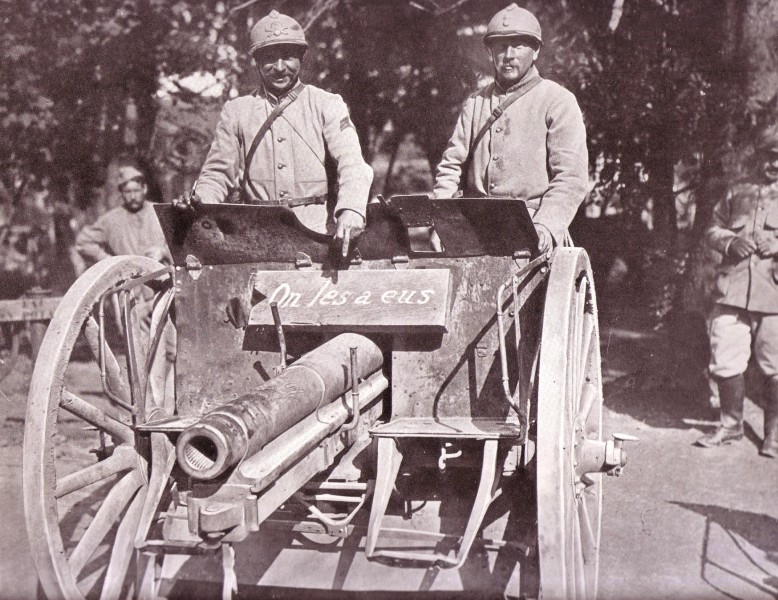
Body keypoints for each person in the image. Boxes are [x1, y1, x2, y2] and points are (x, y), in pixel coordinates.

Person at [175, 10, 373, 257]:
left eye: (288, 57)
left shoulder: (327, 104)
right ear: (257, 62)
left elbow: (352, 163)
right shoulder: (237, 111)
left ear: (301, 57)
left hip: (319, 237)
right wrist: (198, 202)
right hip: (255, 240)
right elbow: (217, 174)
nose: (279, 68)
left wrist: (351, 209)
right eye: (269, 58)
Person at [433, 3, 588, 253]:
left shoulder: (558, 101)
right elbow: (451, 167)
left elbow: (570, 177)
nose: (509, 55)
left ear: (536, 50)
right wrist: (441, 223)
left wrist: (546, 225)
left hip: (532, 233)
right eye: (500, 46)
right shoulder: (475, 103)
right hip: (474, 235)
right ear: (489, 52)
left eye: (518, 45)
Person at [697, 123, 778, 457]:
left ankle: (774, 435)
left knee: (776, 365)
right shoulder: (737, 191)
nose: (773, 163)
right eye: (769, 155)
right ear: (758, 156)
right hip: (732, 292)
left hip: (773, 298)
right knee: (726, 359)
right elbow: (711, 229)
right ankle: (730, 426)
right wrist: (731, 242)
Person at [75, 165, 170, 266]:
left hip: (163, 273)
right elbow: (83, 242)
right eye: (128, 192)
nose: (133, 197)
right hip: (129, 275)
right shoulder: (111, 220)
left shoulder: (162, 212)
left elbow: (180, 243)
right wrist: (110, 261)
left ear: (144, 189)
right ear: (121, 193)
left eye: (136, 191)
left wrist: (163, 252)